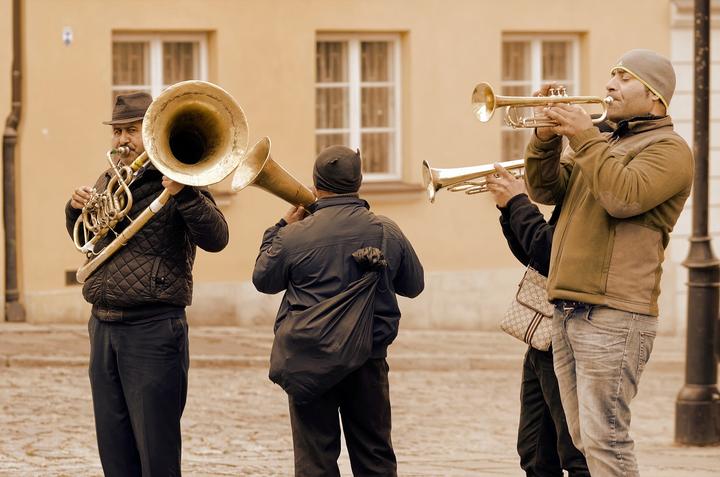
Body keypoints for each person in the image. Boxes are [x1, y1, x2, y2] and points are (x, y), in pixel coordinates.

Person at [524, 49, 694, 476]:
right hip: (568, 309)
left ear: (655, 96)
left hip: (615, 313)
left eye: (624, 77)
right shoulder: (606, 141)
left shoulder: (669, 150)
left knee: (606, 439)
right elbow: (545, 190)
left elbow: (623, 197)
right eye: (612, 74)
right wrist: (545, 139)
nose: (610, 84)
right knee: (584, 438)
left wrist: (585, 137)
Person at [65, 92, 229, 476]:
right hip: (103, 325)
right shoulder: (110, 178)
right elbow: (90, 238)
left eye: (132, 131)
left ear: (152, 131)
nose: (123, 139)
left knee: (156, 452)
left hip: (152, 329)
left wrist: (184, 192)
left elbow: (217, 237)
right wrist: (75, 209)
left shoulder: (182, 174)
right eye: (118, 131)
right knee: (115, 448)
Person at [252, 146, 424, 477]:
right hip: (367, 361)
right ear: (359, 183)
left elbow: (263, 279)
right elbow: (414, 286)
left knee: (314, 461)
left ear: (316, 185)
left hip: (307, 361)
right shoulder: (386, 229)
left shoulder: (293, 235)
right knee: (374, 457)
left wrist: (278, 227)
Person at [486, 165, 590, 477]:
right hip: (545, 334)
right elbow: (535, 255)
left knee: (576, 452)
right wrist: (508, 210)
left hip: (572, 330)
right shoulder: (575, 190)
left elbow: (552, 253)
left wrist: (519, 202)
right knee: (533, 451)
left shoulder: (595, 192)